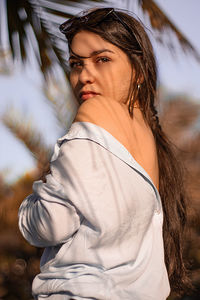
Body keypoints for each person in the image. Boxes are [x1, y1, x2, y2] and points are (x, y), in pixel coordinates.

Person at [18, 7, 191, 300]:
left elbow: (51, 223)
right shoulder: (151, 140)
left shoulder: (94, 112)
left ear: (137, 69)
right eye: (76, 63)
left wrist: (27, 208)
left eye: (103, 60)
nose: (85, 75)